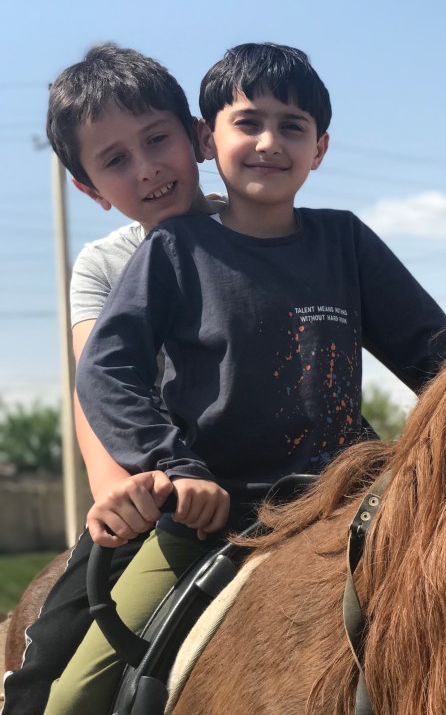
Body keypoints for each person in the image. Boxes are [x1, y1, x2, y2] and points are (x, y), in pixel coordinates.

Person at [44, 42, 446, 715]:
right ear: (213, 138)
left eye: (291, 126)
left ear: (319, 149)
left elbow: (440, 358)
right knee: (72, 696)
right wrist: (173, 471)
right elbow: (106, 372)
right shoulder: (169, 253)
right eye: (249, 123)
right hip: (211, 509)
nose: (269, 142)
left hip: (351, 496)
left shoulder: (346, 242)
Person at [0, 43, 224, 715]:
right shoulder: (103, 266)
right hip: (166, 496)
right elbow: (95, 384)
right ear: (90, 190)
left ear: (198, 137)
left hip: (300, 473)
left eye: (157, 139)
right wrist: (115, 491)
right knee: (50, 675)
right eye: (116, 160)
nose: (147, 167)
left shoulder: (262, 227)